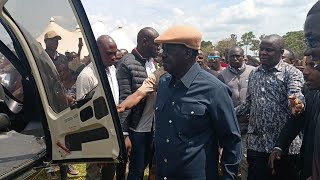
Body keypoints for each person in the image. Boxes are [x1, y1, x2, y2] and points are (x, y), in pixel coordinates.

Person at [153, 25, 242, 179]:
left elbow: (232, 140)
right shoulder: (163, 84)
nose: (163, 55)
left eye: (168, 50)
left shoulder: (214, 89)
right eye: (162, 50)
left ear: (187, 53)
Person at [236, 34, 305, 180]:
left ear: (281, 53)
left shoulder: (291, 73)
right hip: (257, 144)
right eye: (261, 49)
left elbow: (295, 94)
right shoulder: (255, 73)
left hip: (284, 147)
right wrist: (228, 113)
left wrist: (296, 103)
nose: (263, 53)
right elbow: (249, 103)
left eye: (269, 50)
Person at [269, 2, 320, 180]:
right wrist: (279, 146)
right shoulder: (312, 92)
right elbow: (297, 120)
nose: (307, 49)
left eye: (313, 40)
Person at [116, 27, 159, 180]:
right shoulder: (127, 63)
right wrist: (124, 134)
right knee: (137, 169)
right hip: (137, 127)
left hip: (152, 126)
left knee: (149, 166)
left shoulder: (153, 63)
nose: (158, 48)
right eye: (156, 44)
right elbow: (125, 97)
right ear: (144, 42)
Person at [76, 35, 119, 180]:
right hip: (96, 135)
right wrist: (99, 146)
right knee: (94, 174)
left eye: (115, 53)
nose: (114, 57)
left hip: (112, 132)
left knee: (109, 172)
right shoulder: (86, 76)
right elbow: (84, 116)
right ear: (96, 51)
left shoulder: (112, 70)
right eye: (109, 53)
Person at [44, 30, 79, 177]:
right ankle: (50, 166)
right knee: (49, 132)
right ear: (46, 42)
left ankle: (67, 163)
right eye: (52, 40)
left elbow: (68, 78)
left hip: (63, 101)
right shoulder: (41, 58)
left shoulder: (63, 58)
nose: (55, 42)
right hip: (47, 100)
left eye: (57, 40)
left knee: (65, 130)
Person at [219, 46, 255, 180]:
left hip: (250, 123)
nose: (234, 59)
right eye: (232, 56)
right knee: (231, 156)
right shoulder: (221, 76)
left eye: (237, 56)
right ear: (227, 58)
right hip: (230, 123)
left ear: (243, 57)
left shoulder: (254, 72)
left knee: (246, 158)